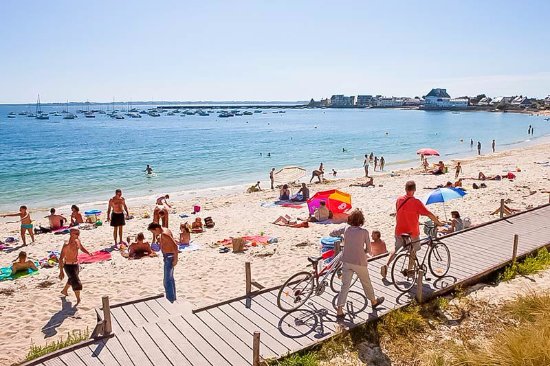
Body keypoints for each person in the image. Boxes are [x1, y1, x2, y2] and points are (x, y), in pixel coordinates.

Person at [380, 181, 443, 279]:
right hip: (412, 231)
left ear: (405, 189)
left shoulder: (399, 199)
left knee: (396, 248)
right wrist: (438, 222)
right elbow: (429, 214)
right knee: (412, 251)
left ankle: (386, 265)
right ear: (414, 190)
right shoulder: (416, 202)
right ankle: (410, 271)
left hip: (399, 230)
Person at [331, 209, 385, 319]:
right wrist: (362, 251)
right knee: (366, 282)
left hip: (346, 261)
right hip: (359, 262)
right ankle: (374, 302)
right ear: (361, 221)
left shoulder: (346, 228)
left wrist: (343, 238)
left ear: (350, 219)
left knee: (345, 286)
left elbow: (331, 233)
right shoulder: (364, 232)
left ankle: (340, 310)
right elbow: (369, 250)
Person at [148, 223, 179, 302]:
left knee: (167, 280)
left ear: (156, 229)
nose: (154, 234)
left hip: (169, 257)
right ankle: (172, 297)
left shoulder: (165, 234)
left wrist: (176, 259)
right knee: (170, 278)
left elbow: (175, 246)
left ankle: (170, 299)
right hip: (168, 256)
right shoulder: (165, 230)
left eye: (153, 232)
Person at [59, 228, 90, 305]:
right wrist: (61, 271)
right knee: (76, 282)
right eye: (76, 234)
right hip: (68, 266)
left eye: (78, 233)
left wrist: (88, 253)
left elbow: (81, 247)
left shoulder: (77, 241)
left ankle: (64, 291)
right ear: (71, 234)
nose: (78, 235)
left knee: (72, 279)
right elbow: (60, 258)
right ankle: (78, 299)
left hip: (76, 264)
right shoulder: (66, 245)